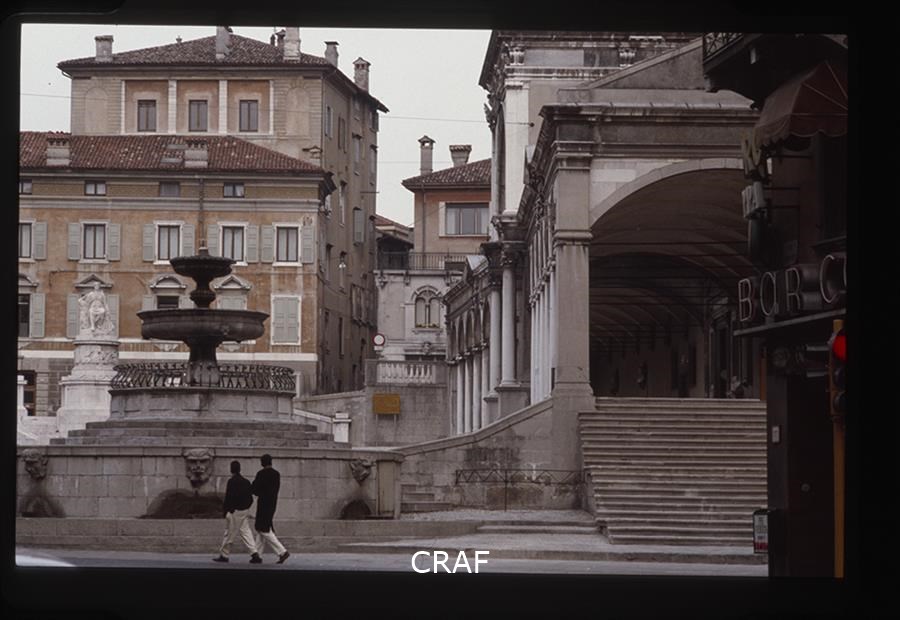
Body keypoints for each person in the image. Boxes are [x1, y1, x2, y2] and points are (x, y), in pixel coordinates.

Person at [214, 460, 261, 564]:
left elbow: (228, 498)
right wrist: (246, 508)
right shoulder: (246, 482)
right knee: (245, 532)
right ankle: (254, 553)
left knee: (229, 534)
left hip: (234, 511)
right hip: (244, 510)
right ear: (240, 469)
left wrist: (226, 510)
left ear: (231, 469)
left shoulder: (231, 481)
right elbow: (250, 498)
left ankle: (224, 555)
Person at [251, 453, 289, 564]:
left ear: (262, 463)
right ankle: (257, 555)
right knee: (262, 528)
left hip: (263, 504)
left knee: (263, 528)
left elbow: (255, 490)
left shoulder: (261, 474)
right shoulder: (276, 474)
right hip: (272, 503)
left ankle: (282, 551)